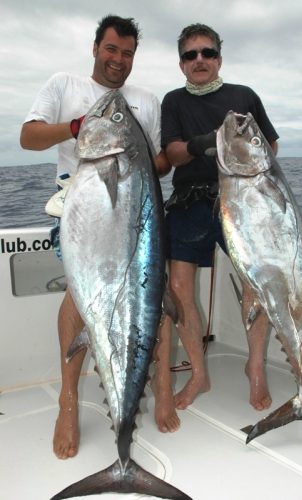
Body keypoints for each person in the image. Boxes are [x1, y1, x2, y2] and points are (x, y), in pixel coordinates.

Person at [20, 15, 170, 459]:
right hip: (82, 213)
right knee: (78, 298)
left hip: (138, 218)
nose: (118, 60)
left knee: (150, 297)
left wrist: (136, 155)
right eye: (111, 49)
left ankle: (155, 389)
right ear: (95, 48)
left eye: (127, 53)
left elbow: (160, 163)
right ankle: (68, 402)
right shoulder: (64, 85)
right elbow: (28, 137)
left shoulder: (146, 100)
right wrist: (77, 127)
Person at [151, 23, 279, 433]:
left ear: (219, 58)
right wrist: (206, 143)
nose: (199, 60)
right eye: (191, 55)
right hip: (190, 201)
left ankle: (254, 365)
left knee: (255, 285)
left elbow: (270, 145)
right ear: (182, 64)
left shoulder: (244, 96)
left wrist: (241, 152)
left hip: (242, 199)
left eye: (206, 53)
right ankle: (200, 374)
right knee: (178, 289)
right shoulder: (172, 102)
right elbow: (169, 155)